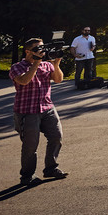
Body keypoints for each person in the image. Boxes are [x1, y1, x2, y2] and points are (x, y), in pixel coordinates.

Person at [10, 38, 68, 185]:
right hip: (27, 111)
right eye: (37, 48)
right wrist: (35, 63)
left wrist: (56, 63)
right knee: (30, 144)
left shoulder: (47, 65)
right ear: (28, 51)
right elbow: (23, 81)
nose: (41, 51)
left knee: (56, 136)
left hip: (47, 107)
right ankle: (27, 176)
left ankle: (51, 168)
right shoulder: (17, 67)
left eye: (42, 47)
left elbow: (58, 79)